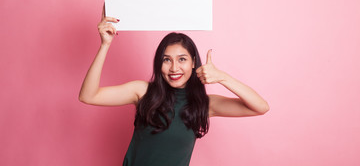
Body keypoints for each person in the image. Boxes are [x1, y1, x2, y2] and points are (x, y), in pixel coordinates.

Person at [79, 10, 269, 166]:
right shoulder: (143, 91)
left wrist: (222, 77)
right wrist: (105, 45)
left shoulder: (204, 105)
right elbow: (88, 96)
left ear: (194, 62)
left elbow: (260, 107)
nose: (174, 68)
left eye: (182, 60)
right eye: (166, 60)